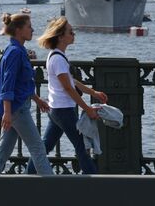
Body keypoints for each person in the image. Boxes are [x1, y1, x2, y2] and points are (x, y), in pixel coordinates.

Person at [27, 17, 108, 174]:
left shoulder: (57, 56)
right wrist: (87, 108)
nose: (74, 34)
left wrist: (94, 93)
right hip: (63, 110)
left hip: (57, 110)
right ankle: (95, 181)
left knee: (46, 145)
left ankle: (29, 174)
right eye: (70, 32)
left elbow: (72, 82)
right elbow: (69, 89)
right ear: (60, 37)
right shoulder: (58, 59)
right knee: (81, 145)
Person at [0, 13, 53, 175]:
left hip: (15, 108)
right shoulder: (15, 52)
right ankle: (54, 190)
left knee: (2, 152)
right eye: (29, 27)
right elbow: (7, 85)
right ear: (18, 30)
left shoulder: (17, 50)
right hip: (17, 109)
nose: (32, 30)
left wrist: (37, 100)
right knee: (38, 148)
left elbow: (22, 84)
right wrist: (8, 113)